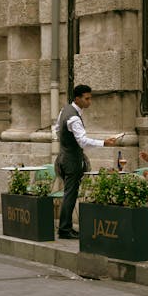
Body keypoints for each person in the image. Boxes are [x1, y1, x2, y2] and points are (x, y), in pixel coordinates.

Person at [55, 84, 117, 239]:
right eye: (87, 98)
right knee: (70, 194)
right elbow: (82, 141)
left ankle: (65, 228)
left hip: (63, 157)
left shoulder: (65, 110)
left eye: (90, 98)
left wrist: (65, 145)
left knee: (68, 193)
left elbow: (56, 130)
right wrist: (104, 143)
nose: (90, 101)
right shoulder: (74, 117)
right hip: (71, 161)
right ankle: (64, 230)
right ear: (78, 98)